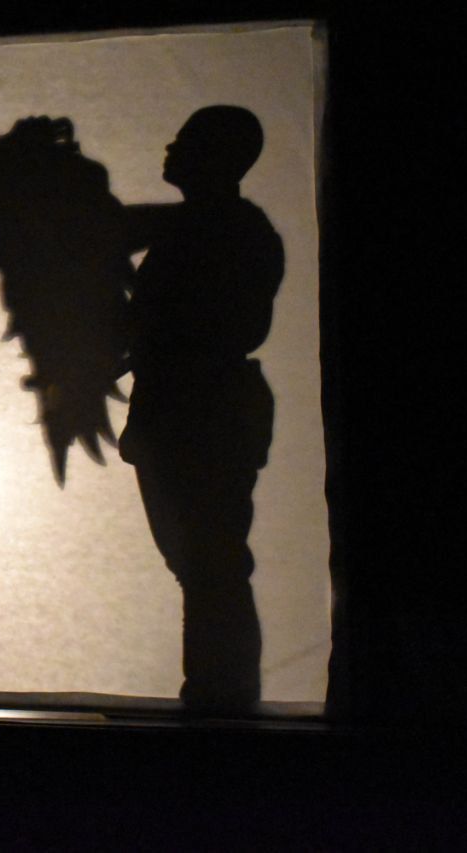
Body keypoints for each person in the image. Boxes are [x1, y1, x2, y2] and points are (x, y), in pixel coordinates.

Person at [121, 107, 284, 713]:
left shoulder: (221, 230)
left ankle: (221, 698)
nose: (170, 147)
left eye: (186, 140)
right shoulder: (213, 228)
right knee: (204, 564)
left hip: (199, 412)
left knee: (209, 564)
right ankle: (218, 695)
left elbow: (198, 323)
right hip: (188, 410)